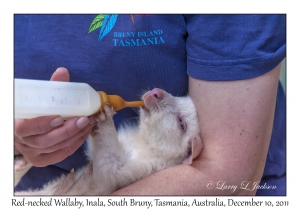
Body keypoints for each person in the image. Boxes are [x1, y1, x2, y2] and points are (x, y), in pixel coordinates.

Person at [14, 14, 286, 195]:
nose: (159, 93)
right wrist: (17, 143)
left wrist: (103, 127)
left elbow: (225, 173)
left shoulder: (159, 163)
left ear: (188, 153)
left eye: (180, 123)